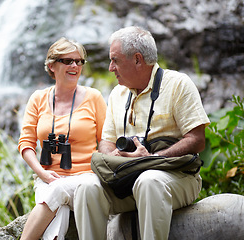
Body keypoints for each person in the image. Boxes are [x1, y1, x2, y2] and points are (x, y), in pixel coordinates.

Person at [73, 26, 210, 240]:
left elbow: (197, 140)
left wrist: (152, 159)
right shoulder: (118, 93)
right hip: (127, 178)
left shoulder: (178, 84)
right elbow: (106, 141)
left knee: (149, 181)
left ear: (137, 60)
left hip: (176, 177)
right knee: (85, 186)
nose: (110, 68)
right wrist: (115, 156)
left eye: (115, 60)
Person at [18, 37, 107, 240]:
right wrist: (42, 174)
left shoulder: (94, 98)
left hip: (87, 180)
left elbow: (105, 141)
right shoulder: (38, 98)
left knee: (57, 191)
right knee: (58, 216)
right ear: (52, 66)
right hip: (47, 178)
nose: (75, 65)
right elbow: (26, 144)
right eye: (68, 61)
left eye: (79, 61)